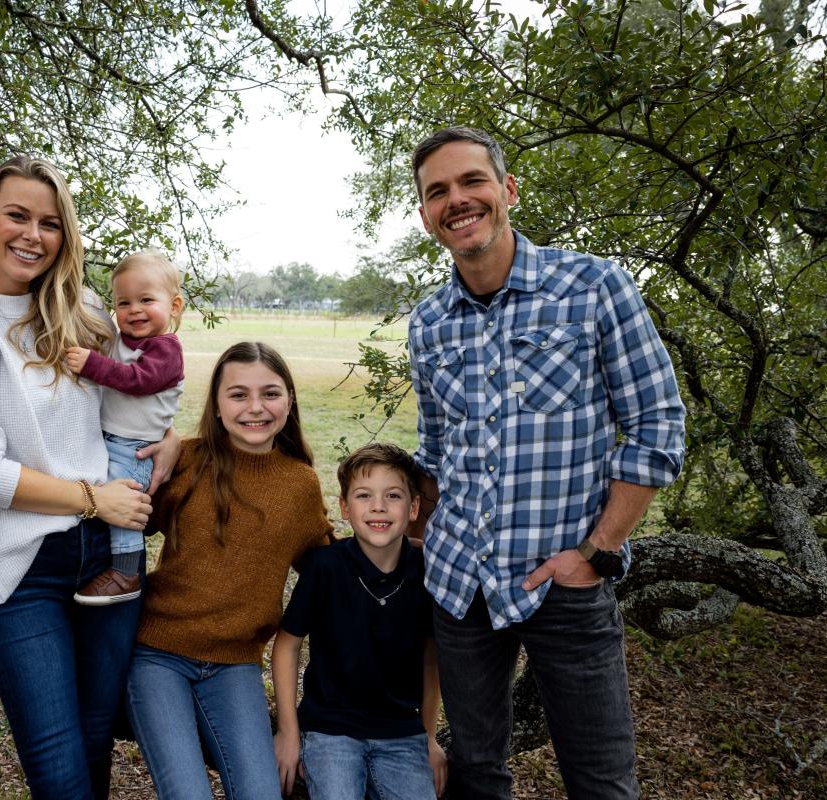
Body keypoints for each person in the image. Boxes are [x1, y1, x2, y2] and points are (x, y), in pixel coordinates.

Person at [407, 126, 687, 799]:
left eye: (472, 181)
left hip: (567, 581)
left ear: (506, 189)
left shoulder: (594, 286)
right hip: (460, 588)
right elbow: (436, 450)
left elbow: (657, 425)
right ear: (425, 216)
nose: (457, 200)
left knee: (601, 780)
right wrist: (418, 530)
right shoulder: (428, 322)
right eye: (437, 191)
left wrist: (598, 551)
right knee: (477, 774)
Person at [0, 155, 177, 799]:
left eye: (51, 223)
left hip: (108, 552)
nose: (32, 234)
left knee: (98, 734)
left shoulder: (84, 315)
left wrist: (173, 440)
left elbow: (135, 398)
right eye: (17, 215)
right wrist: (90, 498)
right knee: (57, 760)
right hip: (18, 564)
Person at [125, 341, 333, 800]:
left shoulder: (300, 485)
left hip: (235, 665)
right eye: (237, 395)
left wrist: (396, 551)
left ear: (290, 400)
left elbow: (329, 568)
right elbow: (127, 522)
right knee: (187, 793)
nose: (255, 408)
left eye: (270, 393)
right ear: (217, 406)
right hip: (158, 655)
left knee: (262, 792)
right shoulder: (187, 461)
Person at [271, 442, 447, 800]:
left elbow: (432, 659)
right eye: (364, 495)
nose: (378, 506)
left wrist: (429, 737)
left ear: (413, 507)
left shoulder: (425, 572)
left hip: (401, 732)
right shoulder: (325, 568)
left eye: (393, 496)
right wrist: (289, 733)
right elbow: (287, 645)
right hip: (329, 730)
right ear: (344, 508)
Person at [64, 249, 185, 605]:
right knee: (105, 500)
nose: (133, 310)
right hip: (111, 440)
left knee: (124, 511)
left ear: (174, 306)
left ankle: (126, 572)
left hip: (135, 449)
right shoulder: (123, 341)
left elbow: (136, 380)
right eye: (123, 302)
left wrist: (91, 365)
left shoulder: (166, 350)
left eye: (146, 300)